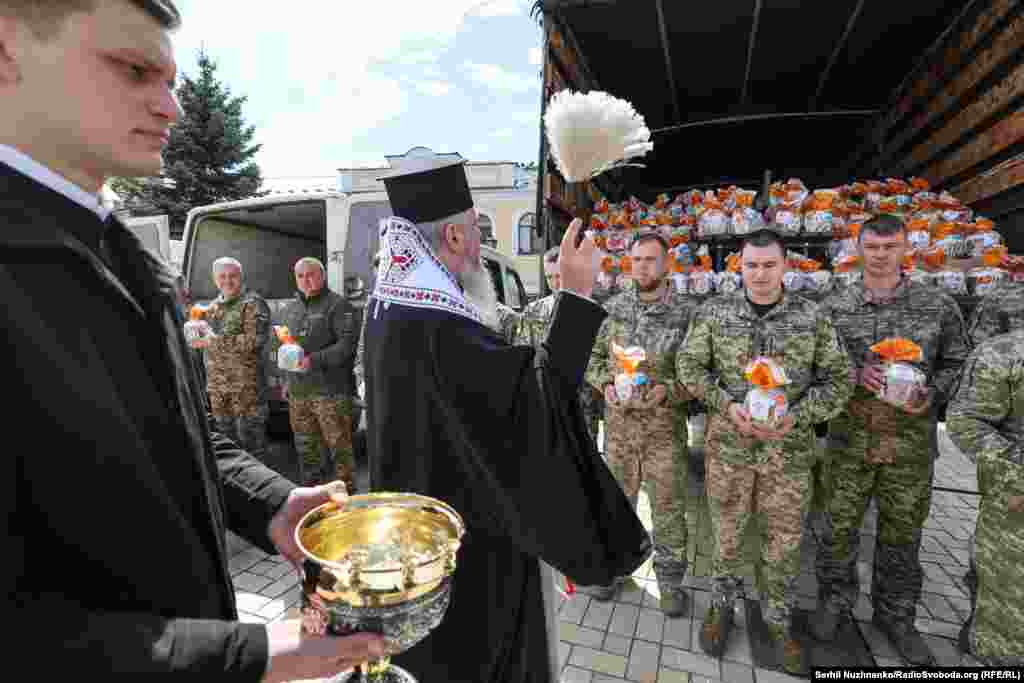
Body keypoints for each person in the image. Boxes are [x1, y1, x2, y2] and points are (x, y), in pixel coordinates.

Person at [0, 1, 385, 679]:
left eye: (172, 80)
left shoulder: (115, 247)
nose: (171, 106)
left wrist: (269, 502)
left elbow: (178, 430)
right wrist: (255, 655)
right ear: (6, 52)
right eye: (134, 69)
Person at [363, 158, 651, 683]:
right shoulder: (436, 323)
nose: (481, 239)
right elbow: (532, 407)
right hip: (468, 552)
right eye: (478, 227)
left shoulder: (390, 306)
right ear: (453, 234)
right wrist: (578, 296)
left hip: (416, 533)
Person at [676, 229, 852, 674]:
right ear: (740, 266)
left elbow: (840, 379)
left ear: (784, 266)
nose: (759, 274)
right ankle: (721, 606)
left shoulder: (812, 318)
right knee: (727, 535)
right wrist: (727, 405)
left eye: (769, 264)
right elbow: (689, 365)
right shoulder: (714, 313)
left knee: (784, 543)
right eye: (751, 265)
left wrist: (800, 416)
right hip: (730, 448)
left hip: (787, 454)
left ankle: (778, 620)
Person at [812, 214, 971, 665]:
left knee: (902, 535)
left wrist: (932, 395)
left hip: (909, 445)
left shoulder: (936, 305)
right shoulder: (834, 307)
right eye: (873, 247)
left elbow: (958, 362)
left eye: (891, 246)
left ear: (906, 250)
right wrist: (851, 373)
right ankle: (835, 603)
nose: (881, 255)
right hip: (850, 442)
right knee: (838, 529)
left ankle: (896, 615)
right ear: (859, 249)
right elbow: (816, 364)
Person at [583, 232, 697, 613]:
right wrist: (605, 386)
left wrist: (671, 391)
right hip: (619, 434)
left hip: (664, 434)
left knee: (668, 510)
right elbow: (594, 360)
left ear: (667, 264)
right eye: (637, 260)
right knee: (617, 506)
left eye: (651, 259)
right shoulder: (613, 309)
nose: (643, 267)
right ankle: (616, 570)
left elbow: (699, 372)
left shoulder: (686, 313)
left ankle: (670, 582)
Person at [946, 328, 1024, 666]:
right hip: (1016, 511)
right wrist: (1015, 475)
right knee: (1006, 636)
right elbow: (967, 420)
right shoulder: (1006, 353)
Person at [279, 257, 360, 489]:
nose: (306, 280)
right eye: (301, 276)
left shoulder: (338, 305)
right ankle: (314, 498)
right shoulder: (290, 310)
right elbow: (286, 347)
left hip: (330, 392)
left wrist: (312, 360)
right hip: (299, 392)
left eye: (311, 274)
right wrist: (286, 380)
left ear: (322, 276)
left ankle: (349, 499)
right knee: (306, 449)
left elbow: (346, 347)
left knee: (339, 450)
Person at [516, 245, 605, 443]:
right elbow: (523, 352)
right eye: (549, 278)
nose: (556, 283)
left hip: (582, 404)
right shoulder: (533, 310)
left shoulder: (591, 311)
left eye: (559, 276)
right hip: (544, 401)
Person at [191, 257, 271, 462]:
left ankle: (263, 492)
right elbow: (202, 339)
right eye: (222, 276)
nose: (227, 281)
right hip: (219, 390)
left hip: (246, 390)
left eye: (232, 276)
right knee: (227, 448)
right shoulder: (212, 307)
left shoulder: (252, 303)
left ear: (240, 277)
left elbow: (255, 340)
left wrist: (213, 342)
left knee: (253, 448)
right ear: (215, 279)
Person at [967, 277, 1024, 345]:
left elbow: (973, 330)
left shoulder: (995, 292)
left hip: (988, 345)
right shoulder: (996, 293)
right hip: (993, 344)